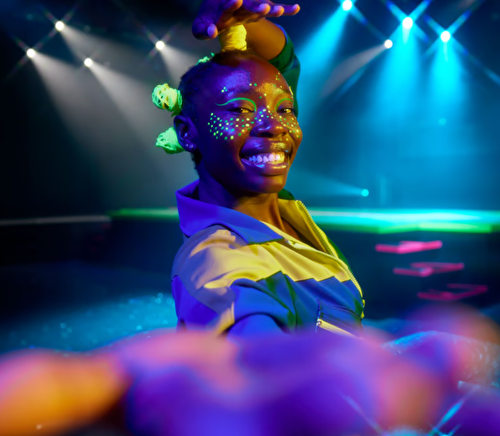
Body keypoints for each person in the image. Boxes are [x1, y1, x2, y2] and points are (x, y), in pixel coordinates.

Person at [153, 0, 365, 338]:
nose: (275, 126)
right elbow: (254, 353)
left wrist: (241, 21)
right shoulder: (218, 262)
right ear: (187, 133)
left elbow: (282, 64)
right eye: (240, 109)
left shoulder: (278, 217)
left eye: (285, 110)